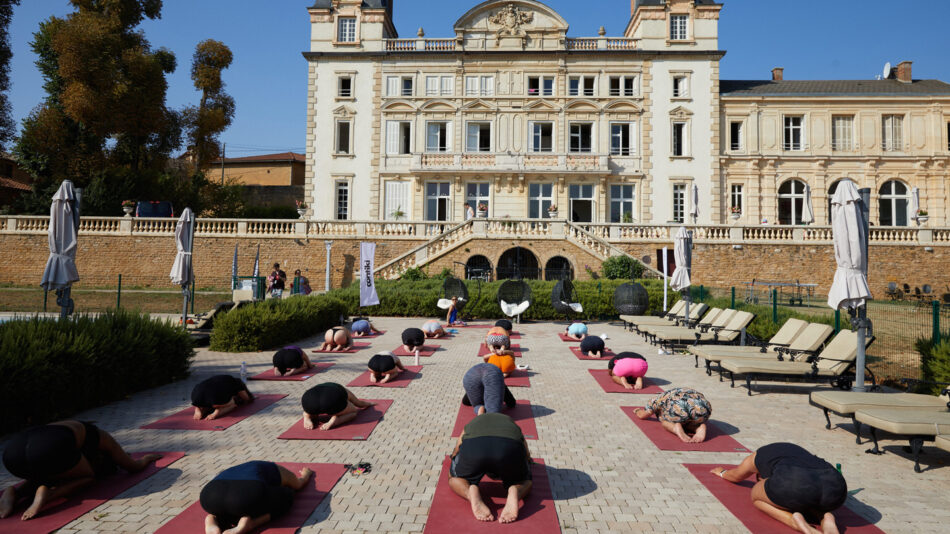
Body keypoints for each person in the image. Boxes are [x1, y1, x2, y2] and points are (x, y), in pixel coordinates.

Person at [0, 421, 161, 521]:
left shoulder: (74, 428)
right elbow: (133, 467)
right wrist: (147, 459)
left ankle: (15, 492)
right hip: (48, 448)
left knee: (45, 470)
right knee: (88, 477)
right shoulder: (102, 437)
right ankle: (49, 494)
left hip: (12, 455)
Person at [709, 443, 847, 534]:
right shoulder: (786, 451)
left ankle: (793, 521)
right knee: (810, 495)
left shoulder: (756, 457)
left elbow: (736, 476)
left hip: (796, 482)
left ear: (760, 475)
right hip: (835, 485)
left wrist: (722, 472)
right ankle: (826, 516)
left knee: (756, 496)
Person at [449, 413, 533, 524]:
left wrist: (454, 458)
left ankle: (470, 492)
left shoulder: (473, 422)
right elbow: (524, 445)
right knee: (526, 481)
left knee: (454, 478)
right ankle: (515, 491)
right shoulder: (509, 420)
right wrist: (527, 459)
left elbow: (457, 447)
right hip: (509, 448)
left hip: (475, 448)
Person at [200, 460, 312, 534]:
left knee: (228, 506)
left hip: (209, 496)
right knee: (287, 495)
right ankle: (251, 524)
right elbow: (298, 484)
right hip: (246, 496)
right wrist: (306, 474)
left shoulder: (233, 470)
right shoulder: (273, 468)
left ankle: (212, 519)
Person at [633, 388, 711, 443]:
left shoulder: (655, 400)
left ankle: (675, 428)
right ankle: (698, 427)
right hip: (703, 407)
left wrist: (637, 411)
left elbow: (642, 415)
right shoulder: (672, 393)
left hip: (679, 407)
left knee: (665, 422)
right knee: (689, 420)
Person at [301, 382, 375, 431]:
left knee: (313, 407)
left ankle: (307, 415)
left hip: (309, 399)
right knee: (353, 412)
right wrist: (369, 404)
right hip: (333, 400)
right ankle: (336, 419)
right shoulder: (339, 390)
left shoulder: (319, 388)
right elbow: (359, 404)